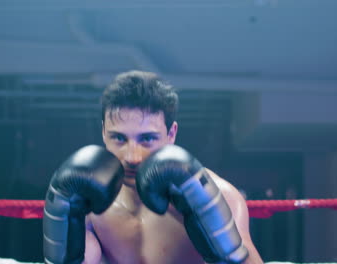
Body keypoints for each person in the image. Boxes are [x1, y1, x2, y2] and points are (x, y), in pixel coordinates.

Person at [44, 70, 263, 264]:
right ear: (103, 132)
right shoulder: (86, 200)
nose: (132, 156)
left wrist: (223, 247)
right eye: (119, 138)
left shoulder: (219, 197)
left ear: (171, 134)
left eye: (147, 138)